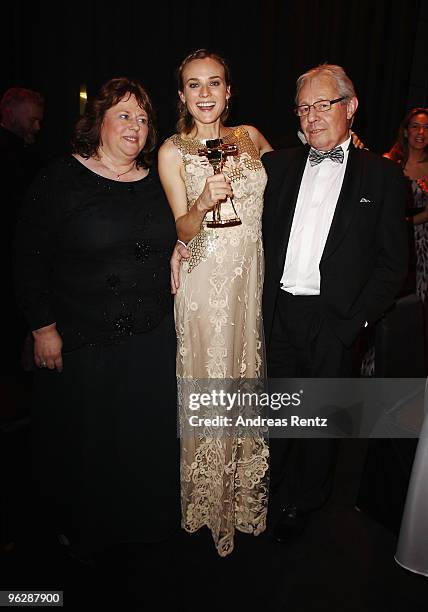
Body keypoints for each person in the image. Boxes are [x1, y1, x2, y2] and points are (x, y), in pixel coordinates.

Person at [14, 77, 180, 558]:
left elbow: (187, 229)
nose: (136, 126)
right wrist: (43, 327)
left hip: (150, 339)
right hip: (81, 338)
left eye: (144, 118)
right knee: (85, 444)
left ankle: (143, 525)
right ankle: (80, 528)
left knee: (140, 441)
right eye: (124, 115)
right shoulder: (60, 178)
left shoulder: (159, 181)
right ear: (99, 123)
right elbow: (28, 257)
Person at [261, 64, 408, 542]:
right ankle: (268, 488)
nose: (312, 116)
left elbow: (394, 265)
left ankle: (305, 501)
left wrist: (355, 323)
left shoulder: (383, 177)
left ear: (351, 107)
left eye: (323, 104)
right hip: (279, 312)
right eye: (304, 108)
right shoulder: (276, 166)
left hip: (335, 319)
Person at [158, 49, 271, 557]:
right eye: (194, 85)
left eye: (214, 83)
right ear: (182, 95)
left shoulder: (248, 137)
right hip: (205, 286)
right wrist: (200, 206)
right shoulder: (171, 151)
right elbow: (181, 226)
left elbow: (298, 169)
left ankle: (242, 500)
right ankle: (207, 503)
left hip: (248, 285)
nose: (205, 93)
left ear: (229, 91)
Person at [0, 87, 44, 376]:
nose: (37, 127)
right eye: (33, 119)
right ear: (12, 112)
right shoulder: (8, 153)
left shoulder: (26, 152)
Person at [385, 108, 428, 303]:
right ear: (405, 131)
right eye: (416, 127)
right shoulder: (388, 163)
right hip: (394, 242)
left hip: (423, 243)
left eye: (427, 128)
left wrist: (405, 223)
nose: (421, 133)